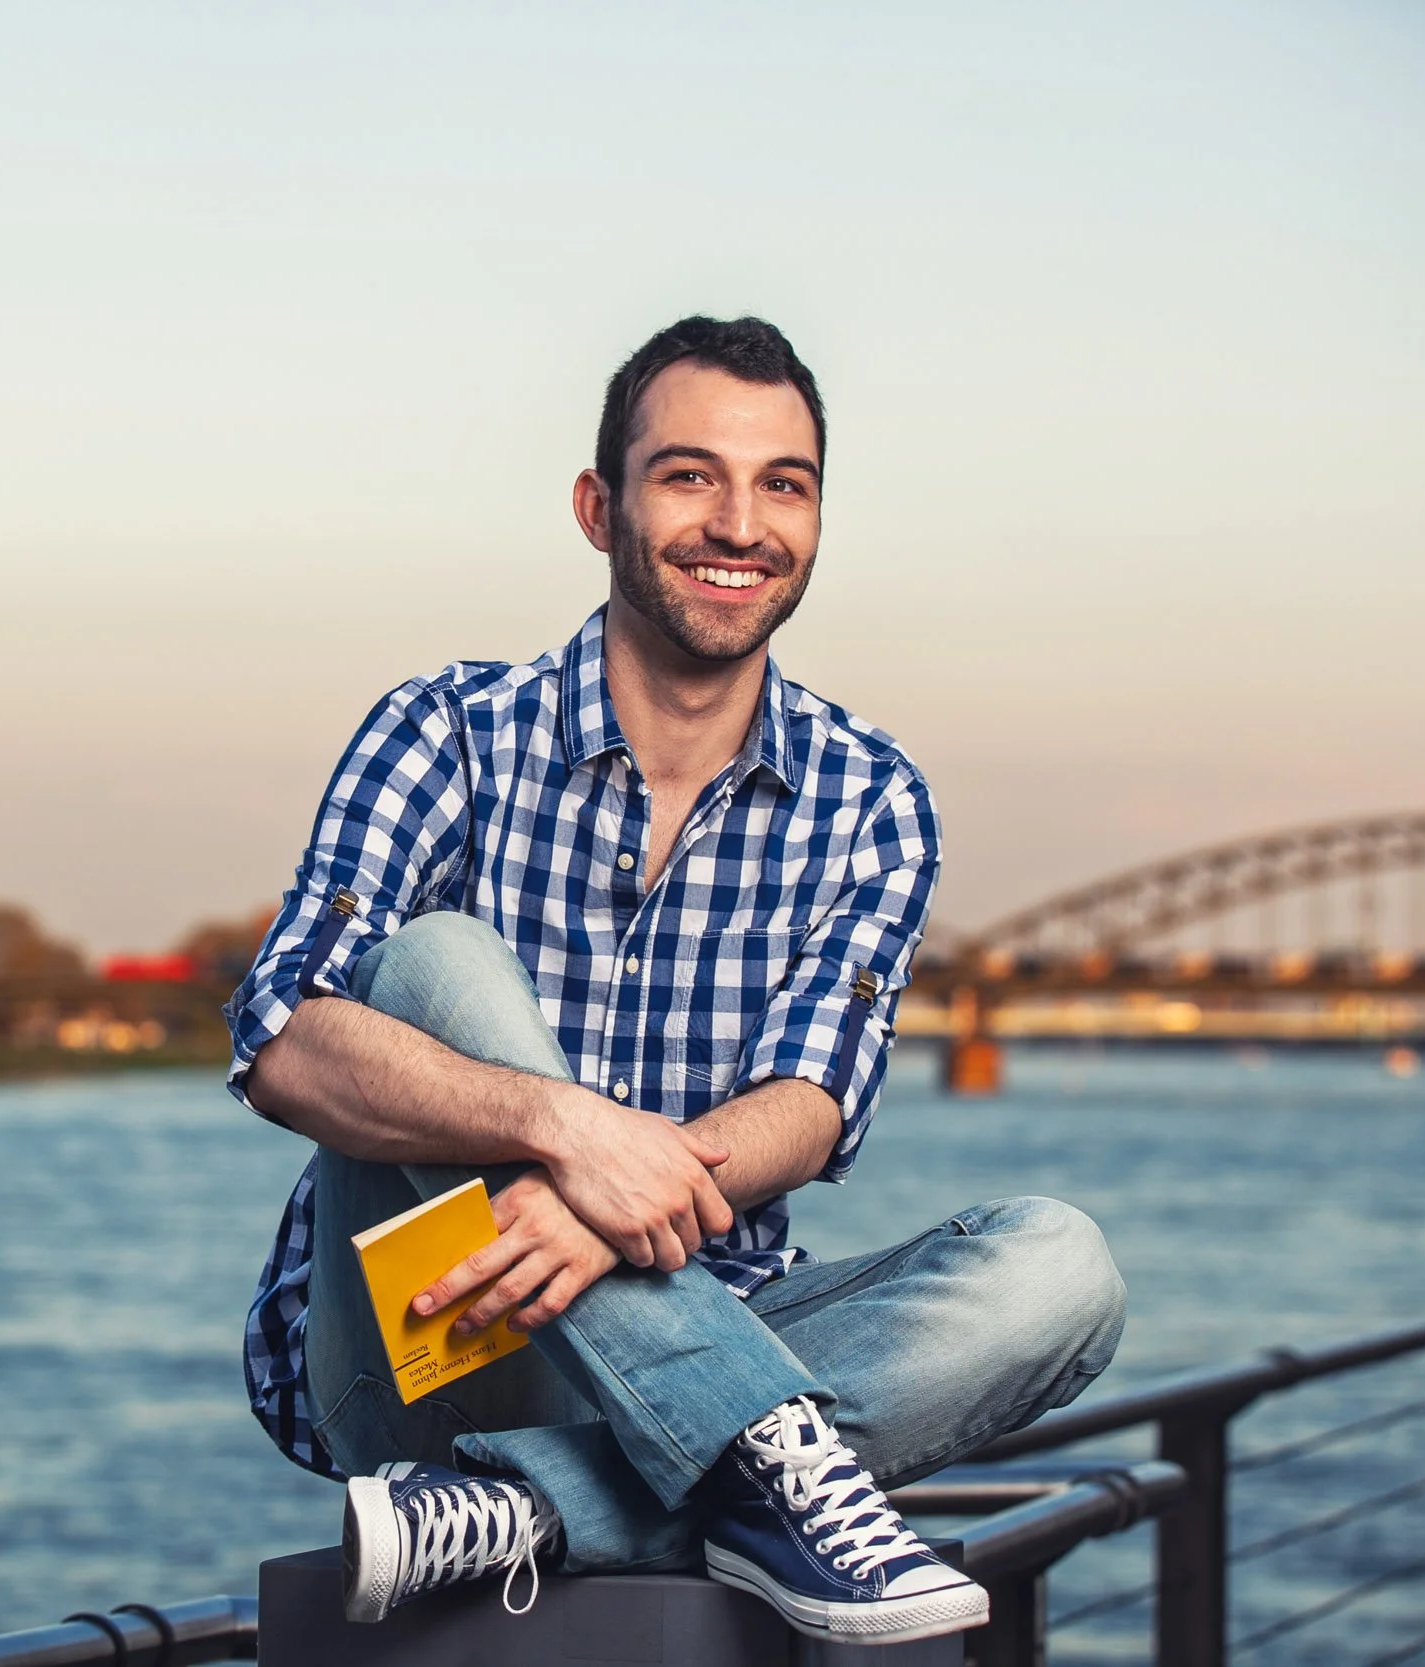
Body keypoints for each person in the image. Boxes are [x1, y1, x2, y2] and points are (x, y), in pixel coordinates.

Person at [221, 315, 1125, 1646]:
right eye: (690, 474)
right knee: (436, 961)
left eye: (784, 484)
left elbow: (815, 1101)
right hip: (430, 1337)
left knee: (1064, 1269)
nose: (740, 522)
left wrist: (607, 1218)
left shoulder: (871, 799)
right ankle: (768, 1458)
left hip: (712, 1328)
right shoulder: (449, 732)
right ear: (601, 506)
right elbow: (281, 1033)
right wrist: (565, 1135)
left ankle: (538, 1503)